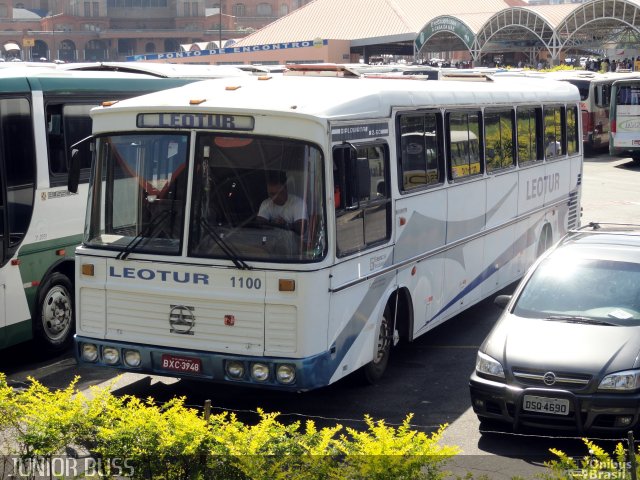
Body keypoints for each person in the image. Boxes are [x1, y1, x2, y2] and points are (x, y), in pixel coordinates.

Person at [257, 170, 307, 235]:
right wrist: (276, 225)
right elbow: (260, 224)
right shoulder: (266, 203)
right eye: (272, 194)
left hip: (299, 243)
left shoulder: (298, 203)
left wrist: (285, 224)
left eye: (279, 193)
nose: (276, 197)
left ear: (286, 189)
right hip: (274, 242)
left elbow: (301, 229)